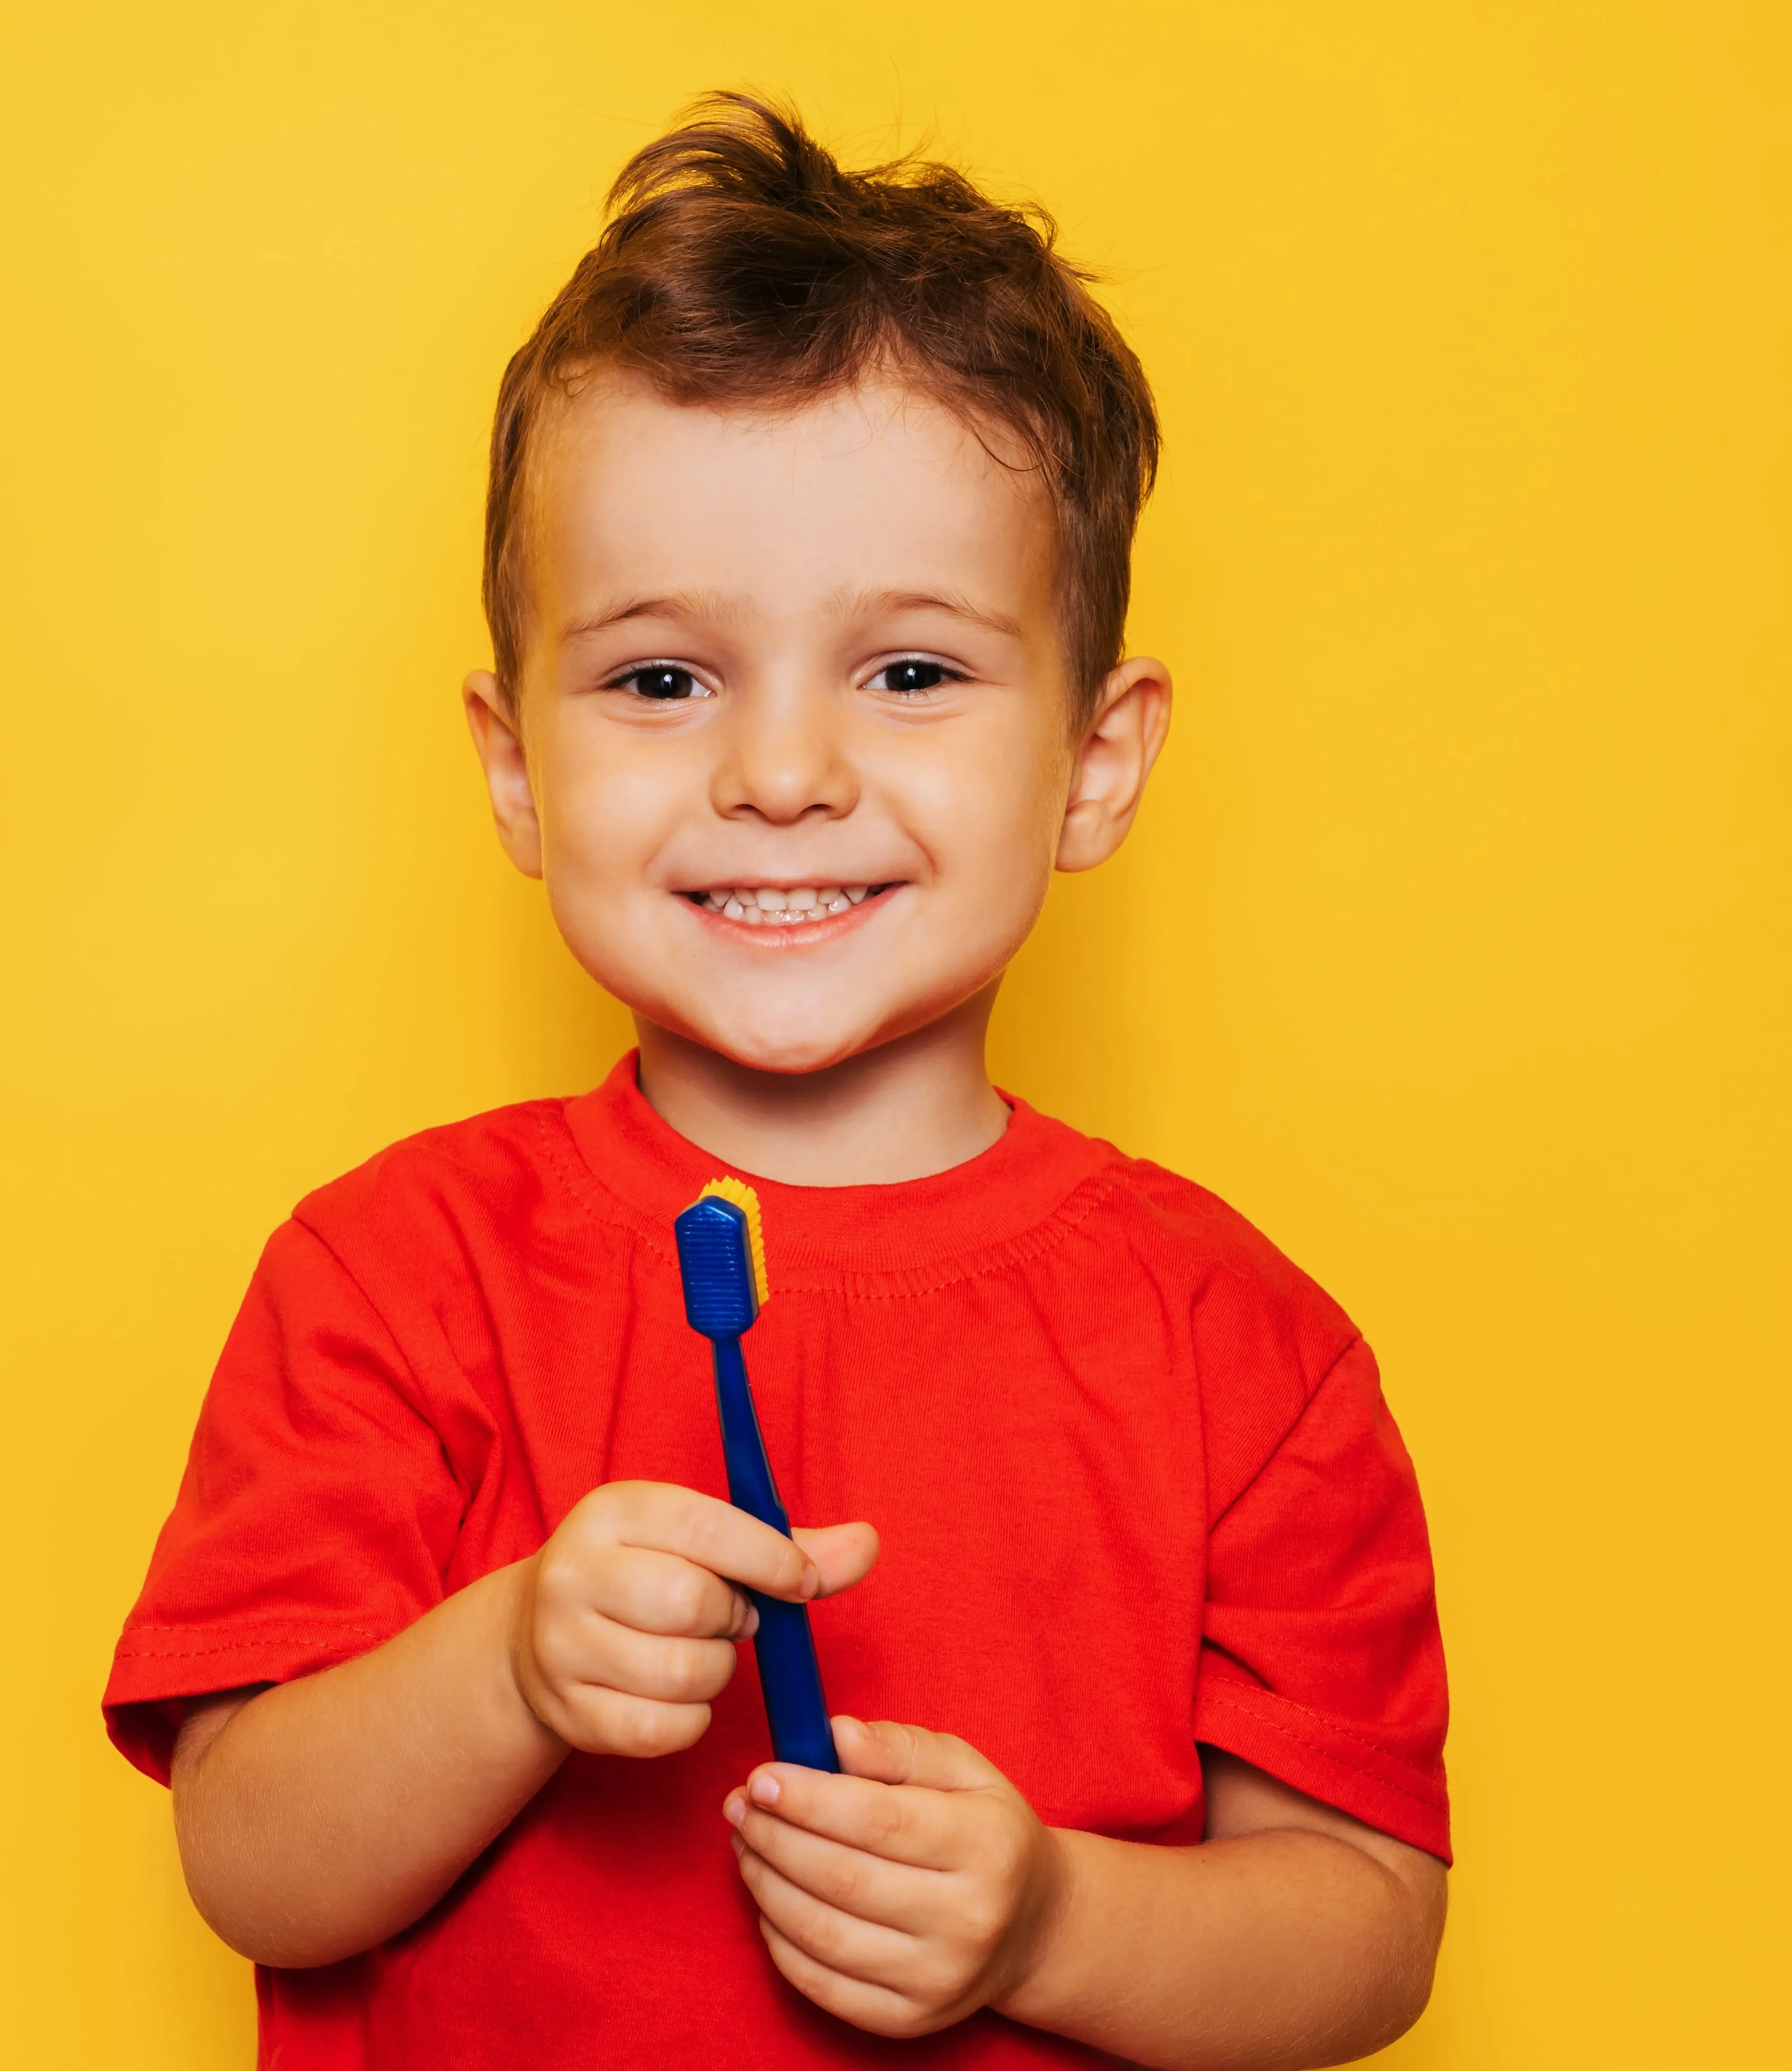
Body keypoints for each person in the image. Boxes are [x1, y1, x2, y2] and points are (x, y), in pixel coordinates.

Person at [105, 93, 1450, 2069]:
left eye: (910, 671)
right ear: (513, 766)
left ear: (1095, 759)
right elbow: (250, 1860)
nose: (783, 774)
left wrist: (1050, 1923)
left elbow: (1367, 1940)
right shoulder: (392, 1275)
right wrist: (508, 1667)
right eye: (664, 679)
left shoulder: (1245, 1348)